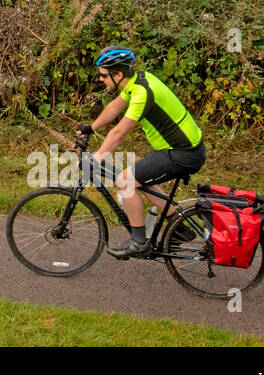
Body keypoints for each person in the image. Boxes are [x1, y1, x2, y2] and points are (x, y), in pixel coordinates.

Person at [76, 45, 205, 259]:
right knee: (140, 179)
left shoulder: (142, 93)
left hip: (183, 153)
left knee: (126, 181)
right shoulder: (137, 81)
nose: (100, 79)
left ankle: (138, 242)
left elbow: (119, 134)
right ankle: (179, 226)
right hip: (174, 149)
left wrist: (97, 157)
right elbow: (114, 107)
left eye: (103, 75)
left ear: (118, 74)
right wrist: (92, 127)